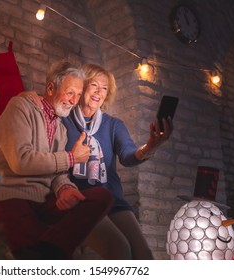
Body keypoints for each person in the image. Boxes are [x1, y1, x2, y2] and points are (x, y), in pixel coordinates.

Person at [0, 61, 113, 260]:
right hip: (8, 197)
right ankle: (48, 254)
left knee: (101, 197)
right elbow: (21, 161)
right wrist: (71, 158)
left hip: (41, 201)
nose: (74, 100)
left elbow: (57, 174)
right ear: (50, 88)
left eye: (77, 94)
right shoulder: (19, 107)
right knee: (45, 255)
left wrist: (65, 189)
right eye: (70, 93)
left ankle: (47, 251)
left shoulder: (60, 128)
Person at [62, 63, 174, 259]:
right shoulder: (63, 121)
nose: (99, 92)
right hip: (81, 199)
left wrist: (150, 146)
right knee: (120, 252)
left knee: (144, 255)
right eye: (94, 85)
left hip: (112, 200)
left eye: (105, 88)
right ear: (82, 87)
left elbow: (129, 156)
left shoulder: (113, 125)